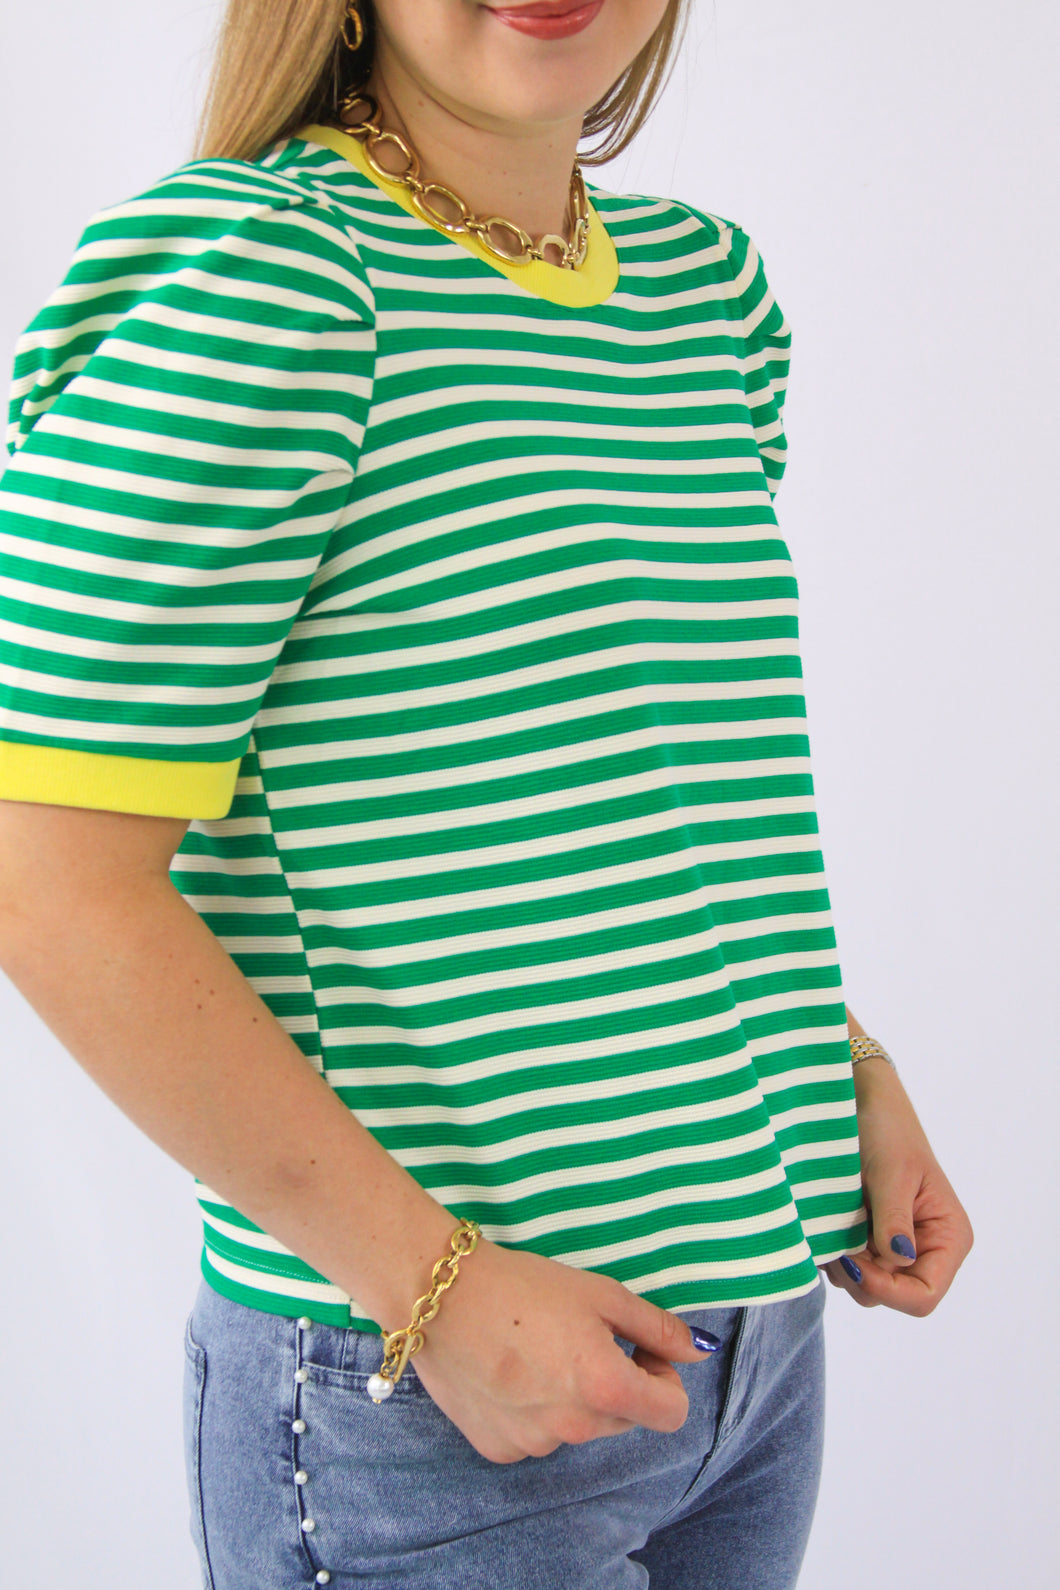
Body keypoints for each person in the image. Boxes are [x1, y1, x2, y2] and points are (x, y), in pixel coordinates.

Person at [0, 2, 974, 1586]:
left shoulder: (703, 299)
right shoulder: (267, 280)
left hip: (757, 1343)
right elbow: (43, 876)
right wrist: (433, 1290)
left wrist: (834, 1066)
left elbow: (641, 792)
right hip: (419, 1401)